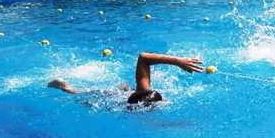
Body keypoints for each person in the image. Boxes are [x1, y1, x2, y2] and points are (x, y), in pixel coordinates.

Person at [48, 52, 203, 107]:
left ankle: (124, 89)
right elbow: (142, 56)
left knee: (122, 88)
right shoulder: (135, 103)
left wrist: (178, 62)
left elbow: (144, 57)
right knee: (80, 95)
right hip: (111, 100)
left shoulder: (143, 91)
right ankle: (63, 85)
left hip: (129, 95)